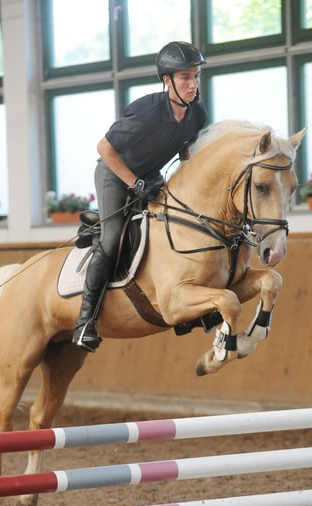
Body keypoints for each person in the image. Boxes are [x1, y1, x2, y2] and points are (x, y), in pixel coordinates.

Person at [72, 41, 208, 352]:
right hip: (115, 175)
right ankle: (85, 322)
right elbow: (104, 149)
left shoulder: (197, 113)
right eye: (185, 77)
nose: (193, 84)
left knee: (176, 227)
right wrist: (134, 184)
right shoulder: (146, 111)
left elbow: (186, 147)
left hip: (149, 177)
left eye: (196, 76)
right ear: (167, 80)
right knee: (112, 240)